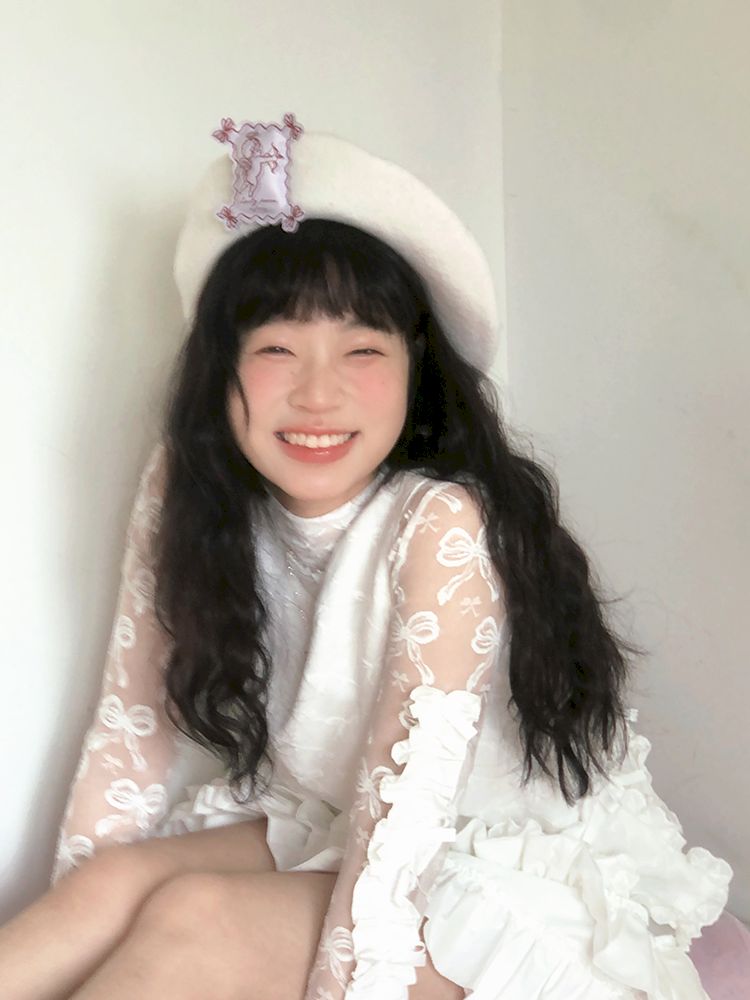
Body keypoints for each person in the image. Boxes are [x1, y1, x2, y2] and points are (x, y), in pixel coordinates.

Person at [0, 116, 732, 1000]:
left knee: (197, 917)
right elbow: (130, 734)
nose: (318, 393)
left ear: (416, 372)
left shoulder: (439, 523)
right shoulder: (185, 490)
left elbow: (400, 831)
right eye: (276, 348)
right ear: (219, 368)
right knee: (114, 883)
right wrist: (79, 938)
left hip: (485, 857)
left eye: (362, 350)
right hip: (336, 816)